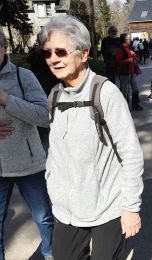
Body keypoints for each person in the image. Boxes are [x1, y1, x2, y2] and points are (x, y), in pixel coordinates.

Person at [40, 15, 144, 259]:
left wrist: (130, 207)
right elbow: (55, 151)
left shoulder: (105, 93)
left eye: (61, 52)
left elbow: (130, 153)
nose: (53, 59)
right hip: (66, 209)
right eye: (48, 53)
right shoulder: (55, 95)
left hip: (106, 204)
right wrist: (53, 184)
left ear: (84, 54)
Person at [0, 28, 54, 260]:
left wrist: (6, 100)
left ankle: (52, 255)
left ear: (3, 48)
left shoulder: (24, 76)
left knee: (44, 218)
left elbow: (44, 115)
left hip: (28, 164)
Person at [116, 33, 144, 111]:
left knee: (135, 88)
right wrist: (127, 60)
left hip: (132, 72)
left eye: (130, 38)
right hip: (124, 72)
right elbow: (118, 62)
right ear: (124, 40)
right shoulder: (120, 49)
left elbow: (133, 56)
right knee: (125, 90)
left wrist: (135, 55)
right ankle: (125, 108)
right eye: (128, 38)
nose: (130, 39)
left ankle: (135, 105)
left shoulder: (129, 47)